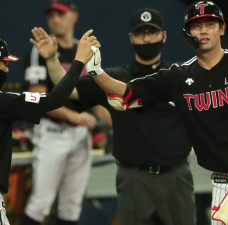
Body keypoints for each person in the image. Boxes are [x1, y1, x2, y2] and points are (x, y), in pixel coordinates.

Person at [83, 1, 228, 224]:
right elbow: (128, 92)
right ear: (188, 32)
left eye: (210, 24)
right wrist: (96, 72)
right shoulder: (179, 76)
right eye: (197, 26)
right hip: (224, 179)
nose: (204, 30)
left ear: (223, 28)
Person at [29, 9, 196, 225]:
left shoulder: (178, 77)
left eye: (151, 32)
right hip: (134, 180)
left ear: (163, 36)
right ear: (131, 38)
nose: (146, 38)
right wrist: (52, 60)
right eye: (140, 33)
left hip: (176, 177)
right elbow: (71, 90)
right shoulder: (112, 79)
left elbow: (221, 81)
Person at [0, 30, 99, 225]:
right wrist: (78, 62)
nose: (7, 69)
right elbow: (54, 100)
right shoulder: (4, 101)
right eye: (3, 63)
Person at [21, 1, 98, 225]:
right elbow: (38, 98)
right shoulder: (41, 51)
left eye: (60, 14)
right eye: (51, 15)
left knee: (72, 207)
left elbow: (95, 93)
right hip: (52, 133)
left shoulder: (82, 49)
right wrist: (77, 117)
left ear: (74, 16)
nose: (54, 20)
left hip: (81, 136)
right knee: (40, 204)